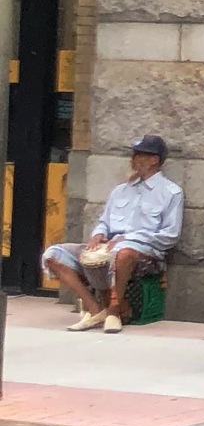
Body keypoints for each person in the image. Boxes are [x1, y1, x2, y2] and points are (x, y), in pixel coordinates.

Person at [43, 135, 183, 334]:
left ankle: (114, 311)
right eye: (133, 155)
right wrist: (98, 234)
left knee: (123, 252)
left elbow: (170, 235)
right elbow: (104, 221)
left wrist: (130, 238)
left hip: (142, 249)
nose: (133, 160)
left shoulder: (171, 192)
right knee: (54, 255)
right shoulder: (120, 190)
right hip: (108, 245)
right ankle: (95, 309)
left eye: (139, 155)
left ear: (154, 160)